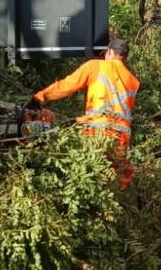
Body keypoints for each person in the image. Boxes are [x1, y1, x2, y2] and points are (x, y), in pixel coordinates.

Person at [29, 39, 139, 189]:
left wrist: (40, 97)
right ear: (124, 57)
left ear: (110, 52)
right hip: (121, 137)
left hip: (97, 132)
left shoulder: (95, 66)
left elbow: (66, 86)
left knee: (87, 174)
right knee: (117, 178)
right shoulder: (133, 81)